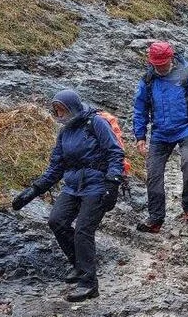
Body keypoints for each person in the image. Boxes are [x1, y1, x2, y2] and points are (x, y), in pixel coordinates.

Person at [11, 90, 125, 302]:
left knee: (83, 230)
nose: (60, 114)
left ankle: (89, 284)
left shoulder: (96, 123)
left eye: (62, 109)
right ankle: (79, 265)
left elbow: (115, 153)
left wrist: (113, 184)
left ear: (73, 107)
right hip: (73, 185)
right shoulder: (64, 133)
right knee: (57, 221)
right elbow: (56, 166)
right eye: (57, 110)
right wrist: (34, 190)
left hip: (97, 184)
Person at [131, 41, 188, 233]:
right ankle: (155, 218)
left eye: (162, 63)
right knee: (153, 173)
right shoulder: (147, 80)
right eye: (156, 64)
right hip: (160, 133)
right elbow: (140, 109)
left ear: (170, 59)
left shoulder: (187, 76)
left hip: (186, 129)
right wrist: (140, 136)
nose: (159, 67)